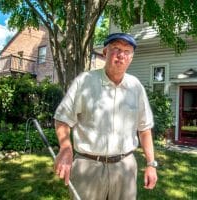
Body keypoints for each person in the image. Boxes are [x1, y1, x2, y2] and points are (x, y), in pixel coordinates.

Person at [53, 33, 158, 200]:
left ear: (131, 57)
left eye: (126, 51)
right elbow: (62, 118)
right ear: (105, 52)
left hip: (125, 167)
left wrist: (151, 164)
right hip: (88, 166)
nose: (121, 55)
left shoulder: (136, 87)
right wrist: (66, 147)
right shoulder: (85, 82)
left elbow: (144, 128)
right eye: (116, 49)